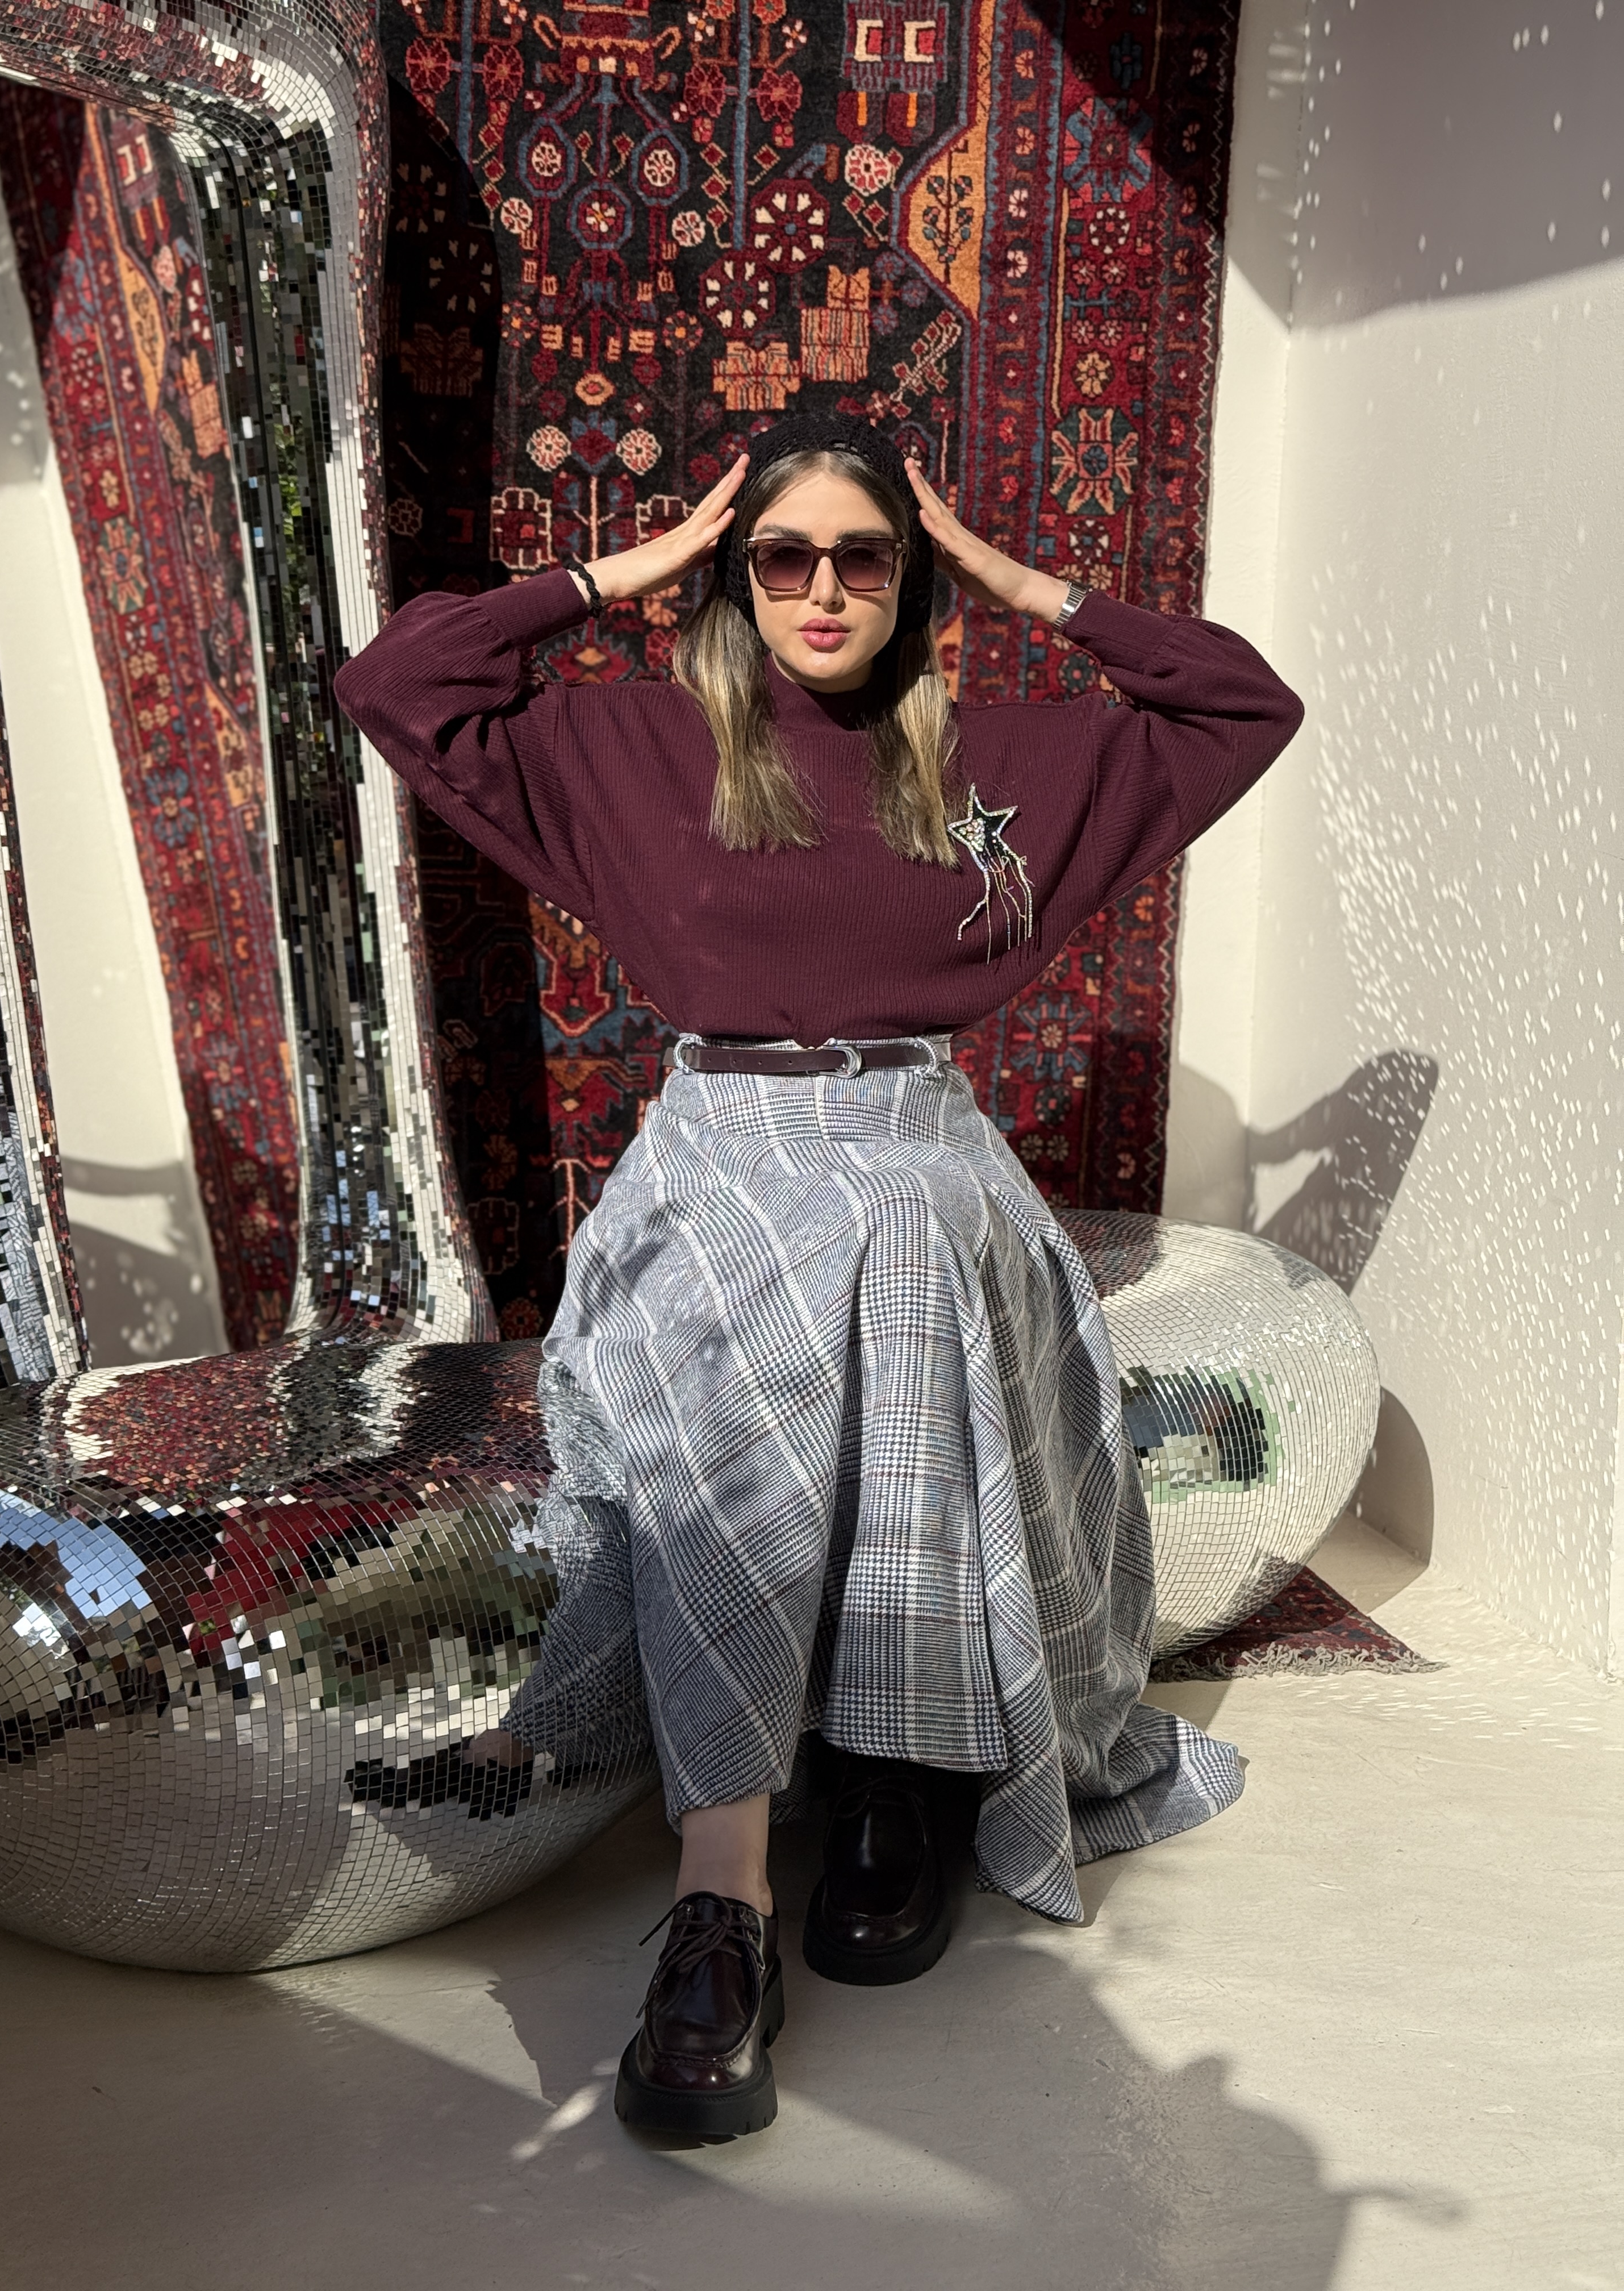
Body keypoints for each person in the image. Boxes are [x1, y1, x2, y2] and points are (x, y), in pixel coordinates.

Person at [333, 413, 1304, 2140]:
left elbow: (1241, 709)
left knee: (912, 1250)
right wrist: (616, 574)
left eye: (867, 557)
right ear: (737, 575)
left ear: (911, 578)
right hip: (720, 1150)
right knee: (731, 1362)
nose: (826, 591)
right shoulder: (634, 748)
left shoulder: (990, 758)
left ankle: (896, 1781)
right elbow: (398, 683)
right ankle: (725, 1899)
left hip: (918, 1147)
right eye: (783, 558)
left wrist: (1023, 583)